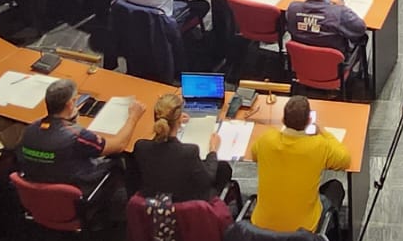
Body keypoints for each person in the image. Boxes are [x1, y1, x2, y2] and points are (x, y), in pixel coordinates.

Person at [247, 94, 351, 232]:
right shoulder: (319, 145)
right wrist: (323, 132)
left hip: (261, 229)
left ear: (283, 120)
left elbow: (254, 155)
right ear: (309, 121)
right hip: (303, 233)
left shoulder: (267, 139)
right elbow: (345, 160)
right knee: (335, 188)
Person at [18, 78, 137, 193]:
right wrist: (133, 117)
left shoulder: (30, 129)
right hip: (74, 187)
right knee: (118, 158)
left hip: (38, 185)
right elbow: (119, 144)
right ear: (70, 104)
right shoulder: (78, 136)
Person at [129, 93, 231, 200]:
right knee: (223, 168)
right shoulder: (189, 152)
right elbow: (208, 180)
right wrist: (213, 150)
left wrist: (175, 122)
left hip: (153, 201)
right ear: (177, 120)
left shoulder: (140, 146)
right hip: (187, 206)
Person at [286, 0, 368, 59]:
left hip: (301, 59)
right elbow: (361, 29)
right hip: (331, 63)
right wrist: (342, 7)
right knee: (362, 37)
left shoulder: (292, 9)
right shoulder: (338, 12)